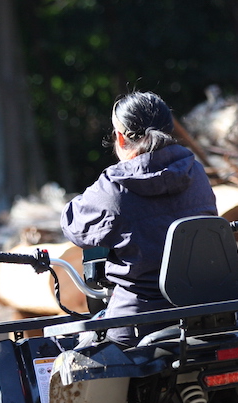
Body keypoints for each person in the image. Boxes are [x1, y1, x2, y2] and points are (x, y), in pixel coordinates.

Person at [60, 91, 218, 346]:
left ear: (120, 137)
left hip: (139, 324)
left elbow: (72, 224)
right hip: (210, 312)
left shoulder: (115, 185)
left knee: (73, 359)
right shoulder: (196, 172)